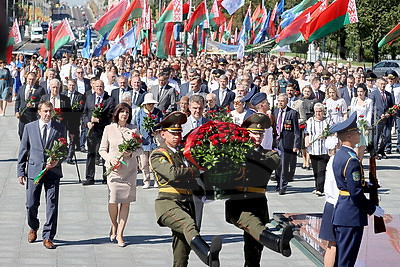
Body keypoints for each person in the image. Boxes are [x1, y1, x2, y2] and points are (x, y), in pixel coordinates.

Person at [150, 111, 222, 267]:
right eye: (173, 133)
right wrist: (197, 170)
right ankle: (208, 254)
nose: (177, 136)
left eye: (179, 133)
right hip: (168, 203)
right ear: (163, 134)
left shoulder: (183, 155)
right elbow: (172, 174)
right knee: (188, 224)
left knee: (182, 252)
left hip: (186, 204)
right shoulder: (158, 154)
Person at [225, 113, 293, 266]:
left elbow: (271, 161)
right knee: (254, 228)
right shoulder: (235, 153)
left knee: (254, 250)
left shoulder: (269, 155)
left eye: (261, 134)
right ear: (246, 134)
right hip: (239, 206)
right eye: (254, 133)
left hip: (258, 205)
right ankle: (277, 242)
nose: (258, 137)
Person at [330, 112, 385, 267]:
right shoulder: (352, 160)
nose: (359, 134)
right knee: (347, 261)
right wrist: (372, 208)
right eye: (356, 132)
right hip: (351, 216)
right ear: (348, 135)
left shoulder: (340, 155)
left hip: (343, 211)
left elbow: (349, 184)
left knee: (342, 258)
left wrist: (368, 186)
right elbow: (354, 193)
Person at [17, 101, 66, 249]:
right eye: (45, 111)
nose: (48, 114)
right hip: (34, 171)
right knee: (31, 203)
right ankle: (33, 226)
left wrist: (58, 160)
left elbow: (64, 149)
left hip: (53, 172)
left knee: (52, 205)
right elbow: (23, 150)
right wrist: (20, 171)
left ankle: (48, 236)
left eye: (50, 111)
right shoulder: (29, 128)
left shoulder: (59, 127)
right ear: (39, 112)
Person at [99, 103, 143, 247]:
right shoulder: (108, 129)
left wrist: (131, 153)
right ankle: (114, 225)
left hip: (129, 171)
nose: (124, 114)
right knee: (113, 199)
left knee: (126, 202)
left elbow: (141, 149)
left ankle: (120, 234)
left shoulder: (133, 129)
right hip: (114, 170)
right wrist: (109, 159)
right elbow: (102, 150)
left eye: (127, 112)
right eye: (121, 112)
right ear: (116, 113)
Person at [82, 80, 116, 185]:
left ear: (104, 87)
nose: (99, 88)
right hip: (91, 131)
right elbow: (84, 114)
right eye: (97, 86)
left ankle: (106, 177)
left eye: (101, 86)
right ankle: (89, 177)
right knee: (91, 154)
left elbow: (111, 115)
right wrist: (87, 122)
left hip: (103, 131)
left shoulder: (109, 100)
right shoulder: (89, 98)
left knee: (104, 154)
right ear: (93, 87)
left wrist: (99, 120)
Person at [274, 93, 300, 195]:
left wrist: (296, 144)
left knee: (285, 164)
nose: (280, 103)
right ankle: (278, 182)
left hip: (287, 141)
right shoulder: (275, 111)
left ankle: (283, 186)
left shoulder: (292, 113)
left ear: (287, 102)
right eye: (279, 101)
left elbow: (296, 131)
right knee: (277, 164)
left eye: (282, 101)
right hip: (276, 141)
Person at [135, 93, 163, 189]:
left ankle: (156, 180)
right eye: (149, 104)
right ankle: (146, 181)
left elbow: (161, 124)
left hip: (154, 141)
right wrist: (139, 135)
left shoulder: (158, 112)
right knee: (144, 163)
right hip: (144, 141)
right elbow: (137, 124)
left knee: (154, 162)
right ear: (145, 104)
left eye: (152, 104)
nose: (151, 105)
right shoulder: (140, 112)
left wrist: (158, 131)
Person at [304, 103, 330, 196]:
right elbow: (306, 133)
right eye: (316, 112)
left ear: (323, 112)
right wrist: (306, 142)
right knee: (315, 170)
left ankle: (321, 189)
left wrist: (326, 136)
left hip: (324, 149)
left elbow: (332, 133)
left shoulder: (327, 121)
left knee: (321, 170)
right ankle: (317, 187)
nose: (318, 113)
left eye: (320, 111)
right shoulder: (310, 121)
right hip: (313, 149)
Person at [15, 72, 46, 139]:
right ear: (26, 79)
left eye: (33, 79)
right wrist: (17, 111)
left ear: (35, 79)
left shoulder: (40, 89)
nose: (31, 81)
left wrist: (34, 104)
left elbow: (42, 102)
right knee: (21, 133)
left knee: (32, 135)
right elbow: (18, 100)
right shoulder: (21, 88)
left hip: (33, 115)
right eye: (29, 79)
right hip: (23, 115)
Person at [369, 78, 394, 159]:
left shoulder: (389, 94)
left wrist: (389, 113)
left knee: (387, 135)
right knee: (376, 136)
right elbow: (371, 107)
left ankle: (381, 150)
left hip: (387, 118)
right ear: (377, 84)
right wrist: (379, 115)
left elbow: (392, 106)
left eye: (384, 84)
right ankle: (375, 152)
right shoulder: (373, 94)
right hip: (377, 118)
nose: (383, 85)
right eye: (381, 83)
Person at [62, 79, 86, 164]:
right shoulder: (63, 95)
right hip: (64, 120)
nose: (71, 87)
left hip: (74, 120)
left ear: (75, 86)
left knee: (72, 138)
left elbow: (82, 108)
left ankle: (70, 157)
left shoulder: (80, 96)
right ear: (67, 85)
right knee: (63, 137)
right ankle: (64, 153)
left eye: (73, 85)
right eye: (70, 85)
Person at [350, 84, 373, 161]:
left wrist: (367, 128)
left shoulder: (369, 101)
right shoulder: (354, 100)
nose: (359, 93)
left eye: (361, 91)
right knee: (356, 146)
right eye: (358, 91)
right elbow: (352, 113)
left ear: (365, 92)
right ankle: (355, 163)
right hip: (355, 125)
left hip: (364, 125)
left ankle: (360, 164)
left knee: (362, 146)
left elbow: (369, 115)